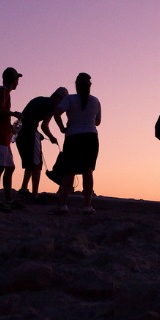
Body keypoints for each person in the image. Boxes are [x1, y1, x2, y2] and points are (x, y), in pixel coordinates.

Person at [52, 73, 102, 215]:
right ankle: (87, 205)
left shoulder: (69, 99)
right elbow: (97, 122)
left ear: (76, 85)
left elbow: (57, 112)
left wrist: (62, 128)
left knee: (69, 172)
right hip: (91, 137)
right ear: (89, 86)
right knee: (88, 171)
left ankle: (62, 205)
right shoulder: (95, 101)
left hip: (73, 137)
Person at [16, 87, 68, 200]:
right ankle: (35, 194)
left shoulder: (41, 99)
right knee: (36, 164)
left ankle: (24, 189)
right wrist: (52, 137)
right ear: (59, 98)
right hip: (30, 132)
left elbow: (28, 117)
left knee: (29, 163)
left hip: (20, 133)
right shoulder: (52, 104)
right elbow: (44, 125)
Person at [0, 67, 24, 212]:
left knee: (9, 167)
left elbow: (1, 114)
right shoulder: (2, 93)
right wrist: (13, 113)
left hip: (3, 137)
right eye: (17, 79)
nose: (18, 83)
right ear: (12, 80)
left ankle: (8, 199)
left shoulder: (5, 93)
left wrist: (10, 127)